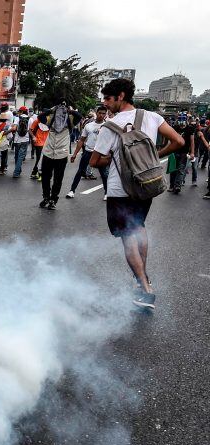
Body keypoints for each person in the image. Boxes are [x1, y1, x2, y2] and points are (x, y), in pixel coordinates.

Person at [90, 78, 184, 310]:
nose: (105, 103)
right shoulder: (152, 117)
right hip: (146, 184)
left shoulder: (110, 126)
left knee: (127, 236)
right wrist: (155, 155)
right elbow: (178, 141)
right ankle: (143, 278)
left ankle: (145, 288)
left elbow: (95, 161)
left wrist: (114, 156)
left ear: (120, 96)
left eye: (108, 99)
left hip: (119, 189)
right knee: (138, 228)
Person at [37, 101, 83, 209]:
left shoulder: (70, 120)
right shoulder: (51, 119)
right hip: (48, 151)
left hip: (62, 153)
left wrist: (69, 110)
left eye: (63, 109)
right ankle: (46, 197)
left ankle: (53, 200)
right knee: (45, 177)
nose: (60, 113)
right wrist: (52, 110)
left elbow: (79, 116)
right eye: (59, 109)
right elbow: (40, 117)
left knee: (58, 178)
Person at [67, 106, 109, 199]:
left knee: (104, 174)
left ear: (105, 115)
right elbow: (81, 140)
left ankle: (106, 193)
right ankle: (72, 191)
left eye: (103, 113)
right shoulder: (88, 125)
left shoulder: (107, 126)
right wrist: (74, 154)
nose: (101, 115)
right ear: (96, 113)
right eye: (100, 113)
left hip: (100, 153)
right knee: (80, 171)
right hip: (88, 152)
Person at [167, 114, 194, 194]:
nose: (181, 121)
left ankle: (177, 186)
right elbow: (170, 139)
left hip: (184, 152)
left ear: (186, 119)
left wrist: (192, 152)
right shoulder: (175, 128)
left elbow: (192, 141)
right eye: (180, 119)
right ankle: (172, 186)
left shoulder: (190, 129)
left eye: (183, 119)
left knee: (181, 170)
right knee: (173, 170)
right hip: (174, 152)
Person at [10, 106, 31, 177]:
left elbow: (14, 128)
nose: (18, 112)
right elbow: (30, 130)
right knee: (21, 157)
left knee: (17, 156)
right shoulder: (29, 119)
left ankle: (17, 172)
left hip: (17, 140)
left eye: (19, 111)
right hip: (25, 140)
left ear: (21, 112)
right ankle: (17, 171)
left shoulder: (17, 118)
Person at [29, 114, 49, 180]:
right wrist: (33, 137)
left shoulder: (49, 121)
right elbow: (30, 130)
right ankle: (37, 173)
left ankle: (35, 173)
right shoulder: (36, 121)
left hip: (47, 143)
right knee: (39, 158)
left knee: (42, 159)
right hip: (38, 142)